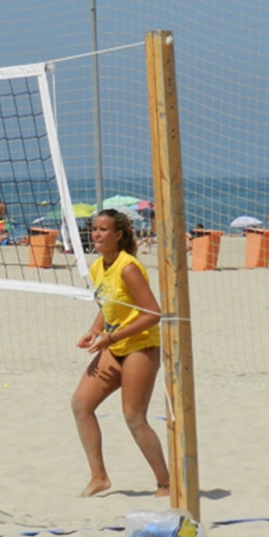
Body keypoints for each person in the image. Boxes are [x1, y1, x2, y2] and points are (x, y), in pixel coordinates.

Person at [71, 209, 169, 498]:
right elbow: (108, 304)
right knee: (81, 404)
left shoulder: (128, 267)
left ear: (119, 235)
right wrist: (95, 329)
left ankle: (165, 483)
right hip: (114, 344)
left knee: (133, 417)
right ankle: (99, 477)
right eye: (94, 229)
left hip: (141, 346)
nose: (96, 234)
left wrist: (110, 337)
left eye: (103, 229)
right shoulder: (97, 267)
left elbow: (153, 314)